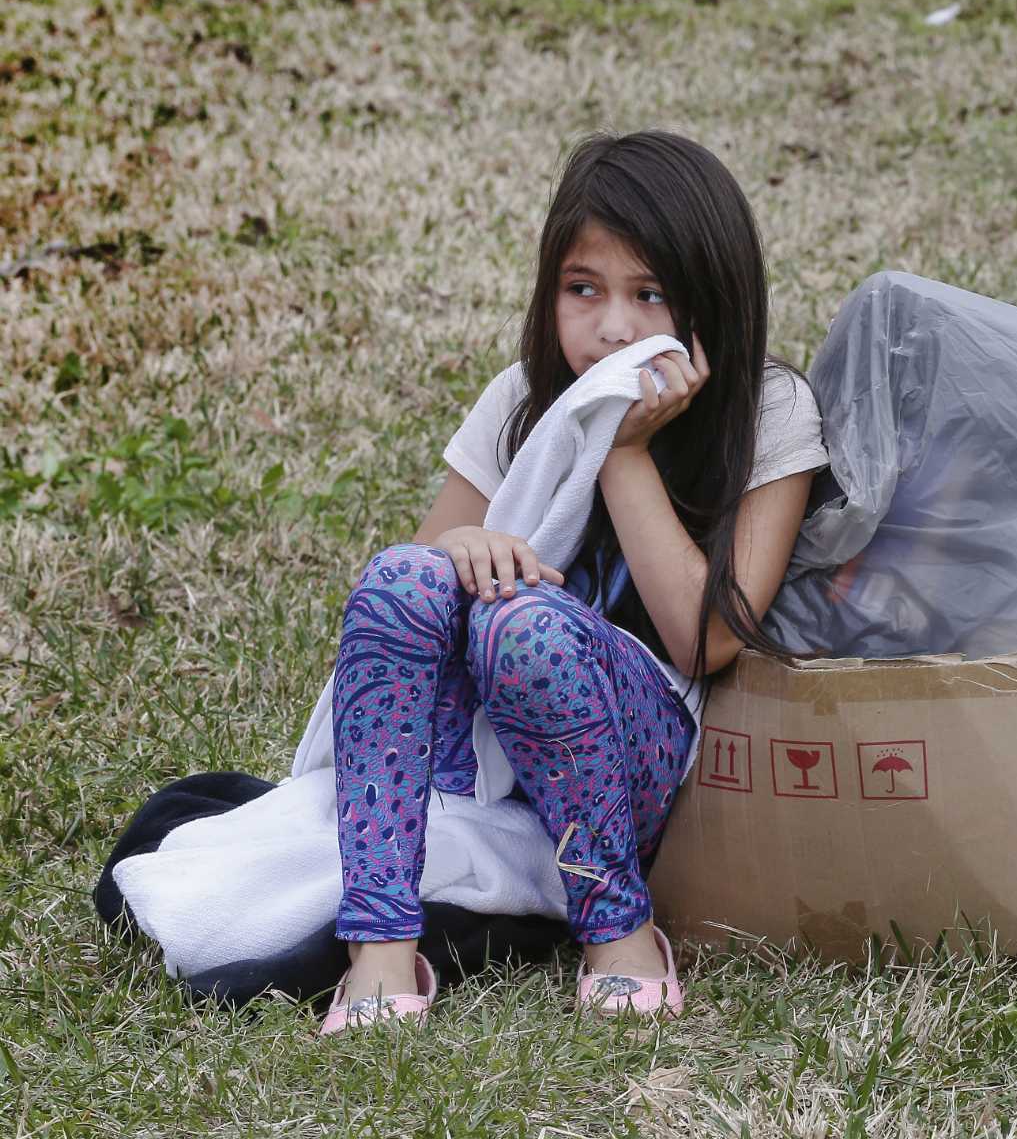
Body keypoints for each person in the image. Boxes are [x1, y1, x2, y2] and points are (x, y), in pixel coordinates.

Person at [321, 131, 825, 1032]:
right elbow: (414, 586)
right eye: (582, 289)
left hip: (639, 759)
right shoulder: (523, 398)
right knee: (403, 576)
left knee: (527, 626)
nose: (615, 328)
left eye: (651, 294)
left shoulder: (768, 411)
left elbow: (706, 638)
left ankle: (619, 931)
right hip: (479, 757)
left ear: (713, 301)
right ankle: (382, 946)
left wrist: (623, 451)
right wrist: (469, 545)